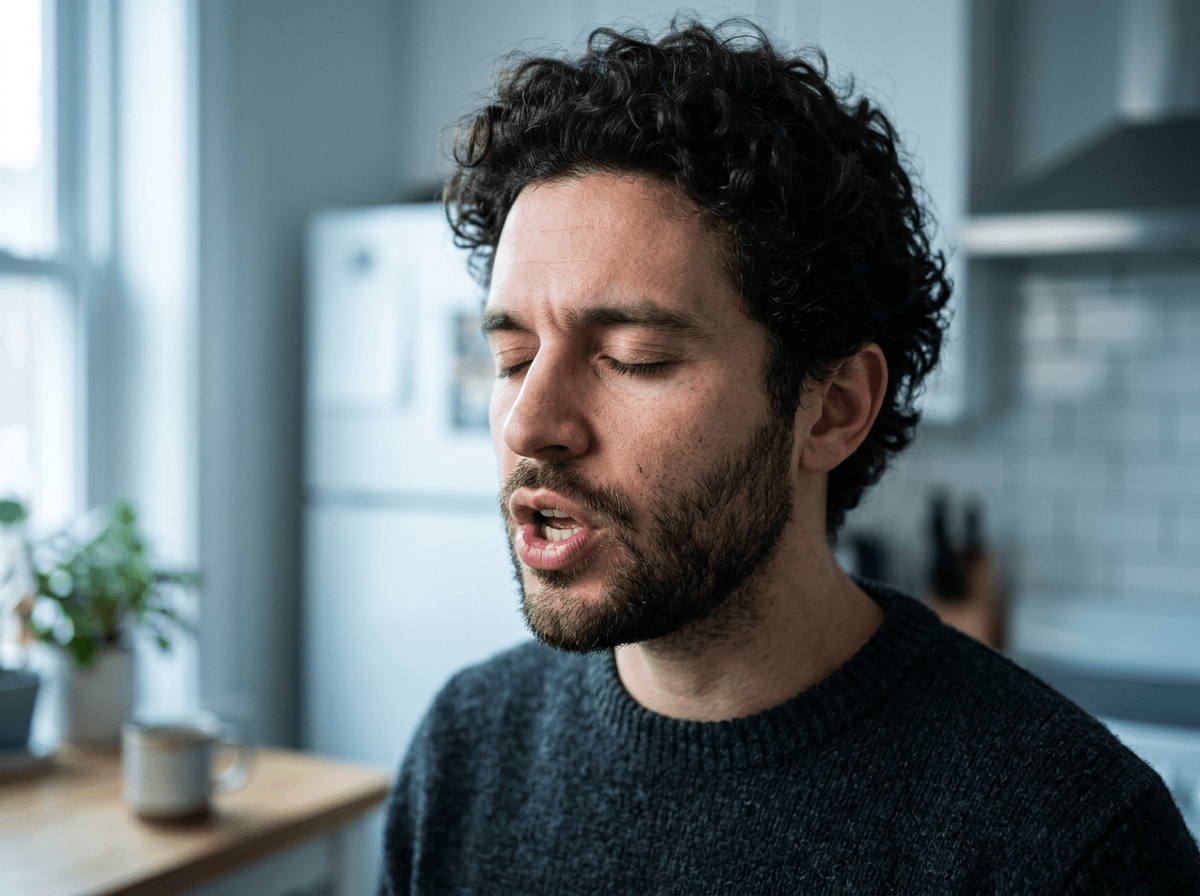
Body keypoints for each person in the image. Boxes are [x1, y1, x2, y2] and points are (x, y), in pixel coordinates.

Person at [379, 20, 1200, 894]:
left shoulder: (1071, 838)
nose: (527, 422)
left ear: (833, 408)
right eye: (511, 358)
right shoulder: (463, 749)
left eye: (634, 358)